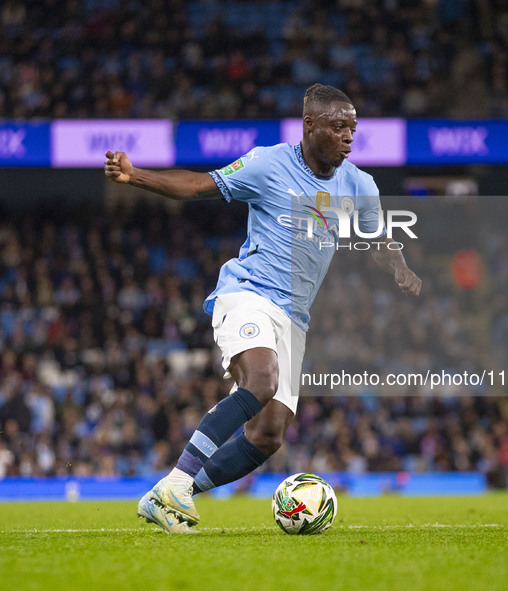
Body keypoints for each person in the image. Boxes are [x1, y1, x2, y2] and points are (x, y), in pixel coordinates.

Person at [104, 83, 421, 533]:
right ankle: (177, 480)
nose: (349, 136)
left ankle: (170, 495)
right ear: (309, 125)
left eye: (353, 128)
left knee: (268, 435)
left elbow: (376, 238)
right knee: (261, 380)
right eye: (338, 127)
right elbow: (200, 185)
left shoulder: (360, 185)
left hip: (295, 318)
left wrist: (399, 265)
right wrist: (135, 176)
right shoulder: (268, 163)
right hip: (249, 293)